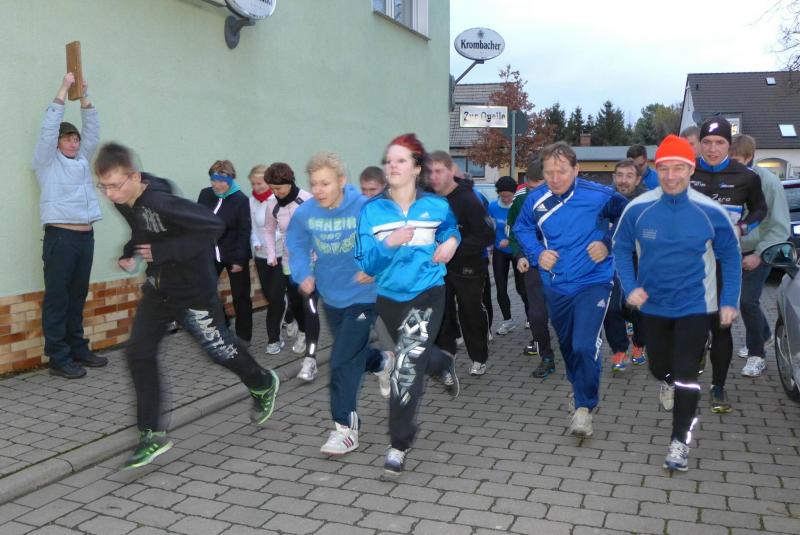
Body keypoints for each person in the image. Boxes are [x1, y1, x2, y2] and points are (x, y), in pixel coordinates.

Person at [93, 142, 279, 469]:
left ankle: (262, 382)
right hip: (159, 289)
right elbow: (143, 230)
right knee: (138, 352)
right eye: (103, 186)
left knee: (218, 350)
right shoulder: (126, 200)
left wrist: (163, 252)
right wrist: (130, 251)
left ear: (134, 176)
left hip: (194, 291)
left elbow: (212, 226)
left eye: (115, 185)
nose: (110, 194)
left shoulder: (161, 201)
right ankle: (151, 434)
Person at [613, 134, 741, 471]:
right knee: (659, 368)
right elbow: (620, 248)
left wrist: (729, 300)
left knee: (686, 374)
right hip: (653, 304)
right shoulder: (638, 208)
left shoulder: (710, 211)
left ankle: (679, 442)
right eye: (664, 168)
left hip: (696, 305)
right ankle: (668, 378)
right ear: (656, 169)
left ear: (691, 169)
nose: (671, 176)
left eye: (679, 168)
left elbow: (730, 255)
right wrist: (630, 287)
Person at [355, 133, 460, 476]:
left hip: (427, 292)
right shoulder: (371, 211)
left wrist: (451, 242)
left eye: (400, 160)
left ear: (416, 168)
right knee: (413, 353)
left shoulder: (436, 206)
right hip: (389, 297)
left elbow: (450, 229)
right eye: (388, 161)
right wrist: (390, 244)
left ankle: (398, 444)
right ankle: (441, 362)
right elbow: (366, 262)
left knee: (405, 364)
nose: (392, 166)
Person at [514, 142, 628, 437]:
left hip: (594, 281)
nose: (555, 178)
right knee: (568, 346)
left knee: (583, 345)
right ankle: (578, 388)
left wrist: (607, 243)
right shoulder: (535, 199)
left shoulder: (600, 195)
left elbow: (626, 216)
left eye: (562, 171)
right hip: (557, 284)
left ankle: (584, 408)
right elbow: (522, 228)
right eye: (549, 172)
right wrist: (537, 253)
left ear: (576, 169)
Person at [286, 151, 393, 456]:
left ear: (342, 181)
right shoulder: (306, 213)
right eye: (314, 184)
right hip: (331, 295)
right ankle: (382, 362)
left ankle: (345, 429)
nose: (318, 190)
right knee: (353, 354)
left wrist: (374, 266)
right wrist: (303, 274)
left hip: (365, 295)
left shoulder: (363, 207)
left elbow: (388, 241)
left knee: (341, 361)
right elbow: (296, 245)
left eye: (325, 183)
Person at [33, 72, 108, 379]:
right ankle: (58, 357)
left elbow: (93, 130)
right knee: (58, 298)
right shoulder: (47, 161)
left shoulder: (81, 161)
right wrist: (64, 88)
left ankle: (78, 349)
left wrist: (84, 95)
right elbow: (48, 127)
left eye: (75, 139)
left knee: (77, 296)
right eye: (68, 138)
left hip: (85, 238)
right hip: (61, 238)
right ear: (57, 142)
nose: (74, 142)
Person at [691, 116, 767, 413]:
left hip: (725, 261)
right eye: (707, 142)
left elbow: (760, 209)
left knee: (721, 325)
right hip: (689, 262)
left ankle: (718, 386)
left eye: (719, 143)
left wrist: (743, 227)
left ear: (728, 145)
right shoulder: (687, 170)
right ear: (700, 143)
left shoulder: (746, 176)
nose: (712, 149)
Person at [428, 151, 495, 376]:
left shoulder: (468, 199)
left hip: (469, 266)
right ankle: (447, 355)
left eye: (439, 171)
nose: (434, 176)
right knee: (442, 312)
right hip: (439, 268)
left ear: (451, 171)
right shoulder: (429, 199)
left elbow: (487, 234)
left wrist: (455, 246)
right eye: (430, 172)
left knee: (470, 312)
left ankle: (478, 357)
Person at [729, 134, 791, 377]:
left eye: (735, 161)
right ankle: (763, 335)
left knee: (747, 302)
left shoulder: (768, 182)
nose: (730, 166)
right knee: (745, 301)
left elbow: (779, 227)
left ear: (749, 158)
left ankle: (758, 355)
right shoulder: (729, 180)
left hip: (762, 250)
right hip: (735, 250)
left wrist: (757, 254)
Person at [264, 162, 320, 381]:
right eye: (272, 188)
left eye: (279, 188)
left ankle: (310, 359)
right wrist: (271, 254)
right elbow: (268, 230)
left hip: (312, 263)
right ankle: (303, 331)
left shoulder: (307, 200)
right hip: (289, 263)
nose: (275, 192)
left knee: (310, 307)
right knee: (295, 305)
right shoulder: (272, 205)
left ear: (290, 182)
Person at [508, 159, 556, 377]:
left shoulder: (567, 197)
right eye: (531, 188)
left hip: (565, 264)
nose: (535, 193)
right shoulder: (522, 199)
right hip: (535, 263)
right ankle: (546, 356)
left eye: (540, 188)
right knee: (537, 314)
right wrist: (519, 256)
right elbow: (514, 232)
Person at [198, 161, 253, 345]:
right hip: (210, 253)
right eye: (213, 180)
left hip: (234, 253)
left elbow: (244, 232)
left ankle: (244, 336)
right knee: (205, 291)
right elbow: (199, 220)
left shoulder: (241, 200)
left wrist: (239, 260)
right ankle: (223, 325)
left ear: (231, 179)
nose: (217, 184)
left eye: (221, 180)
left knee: (240, 296)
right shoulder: (206, 195)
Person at [604, 159, 647, 372]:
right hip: (609, 261)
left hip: (639, 260)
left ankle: (639, 344)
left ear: (638, 179)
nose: (623, 180)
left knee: (638, 307)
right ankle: (619, 350)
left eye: (629, 176)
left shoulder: (647, 202)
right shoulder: (606, 200)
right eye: (619, 175)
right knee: (610, 307)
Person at [249, 164, 292, 354]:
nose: (256, 187)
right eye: (253, 184)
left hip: (280, 254)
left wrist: (271, 240)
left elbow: (284, 227)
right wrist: (256, 241)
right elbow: (252, 226)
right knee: (270, 296)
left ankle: (273, 339)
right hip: (261, 256)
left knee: (275, 298)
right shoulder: (252, 201)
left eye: (259, 183)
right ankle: (289, 312)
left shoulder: (278, 200)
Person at [488, 176, 528, 335]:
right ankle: (508, 321)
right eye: (502, 196)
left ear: (514, 193)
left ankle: (530, 317)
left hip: (518, 252)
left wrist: (510, 240)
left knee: (522, 288)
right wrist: (490, 244)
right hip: (500, 252)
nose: (506, 199)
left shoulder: (520, 205)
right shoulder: (492, 207)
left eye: (509, 196)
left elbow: (526, 228)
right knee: (500, 287)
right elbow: (489, 227)